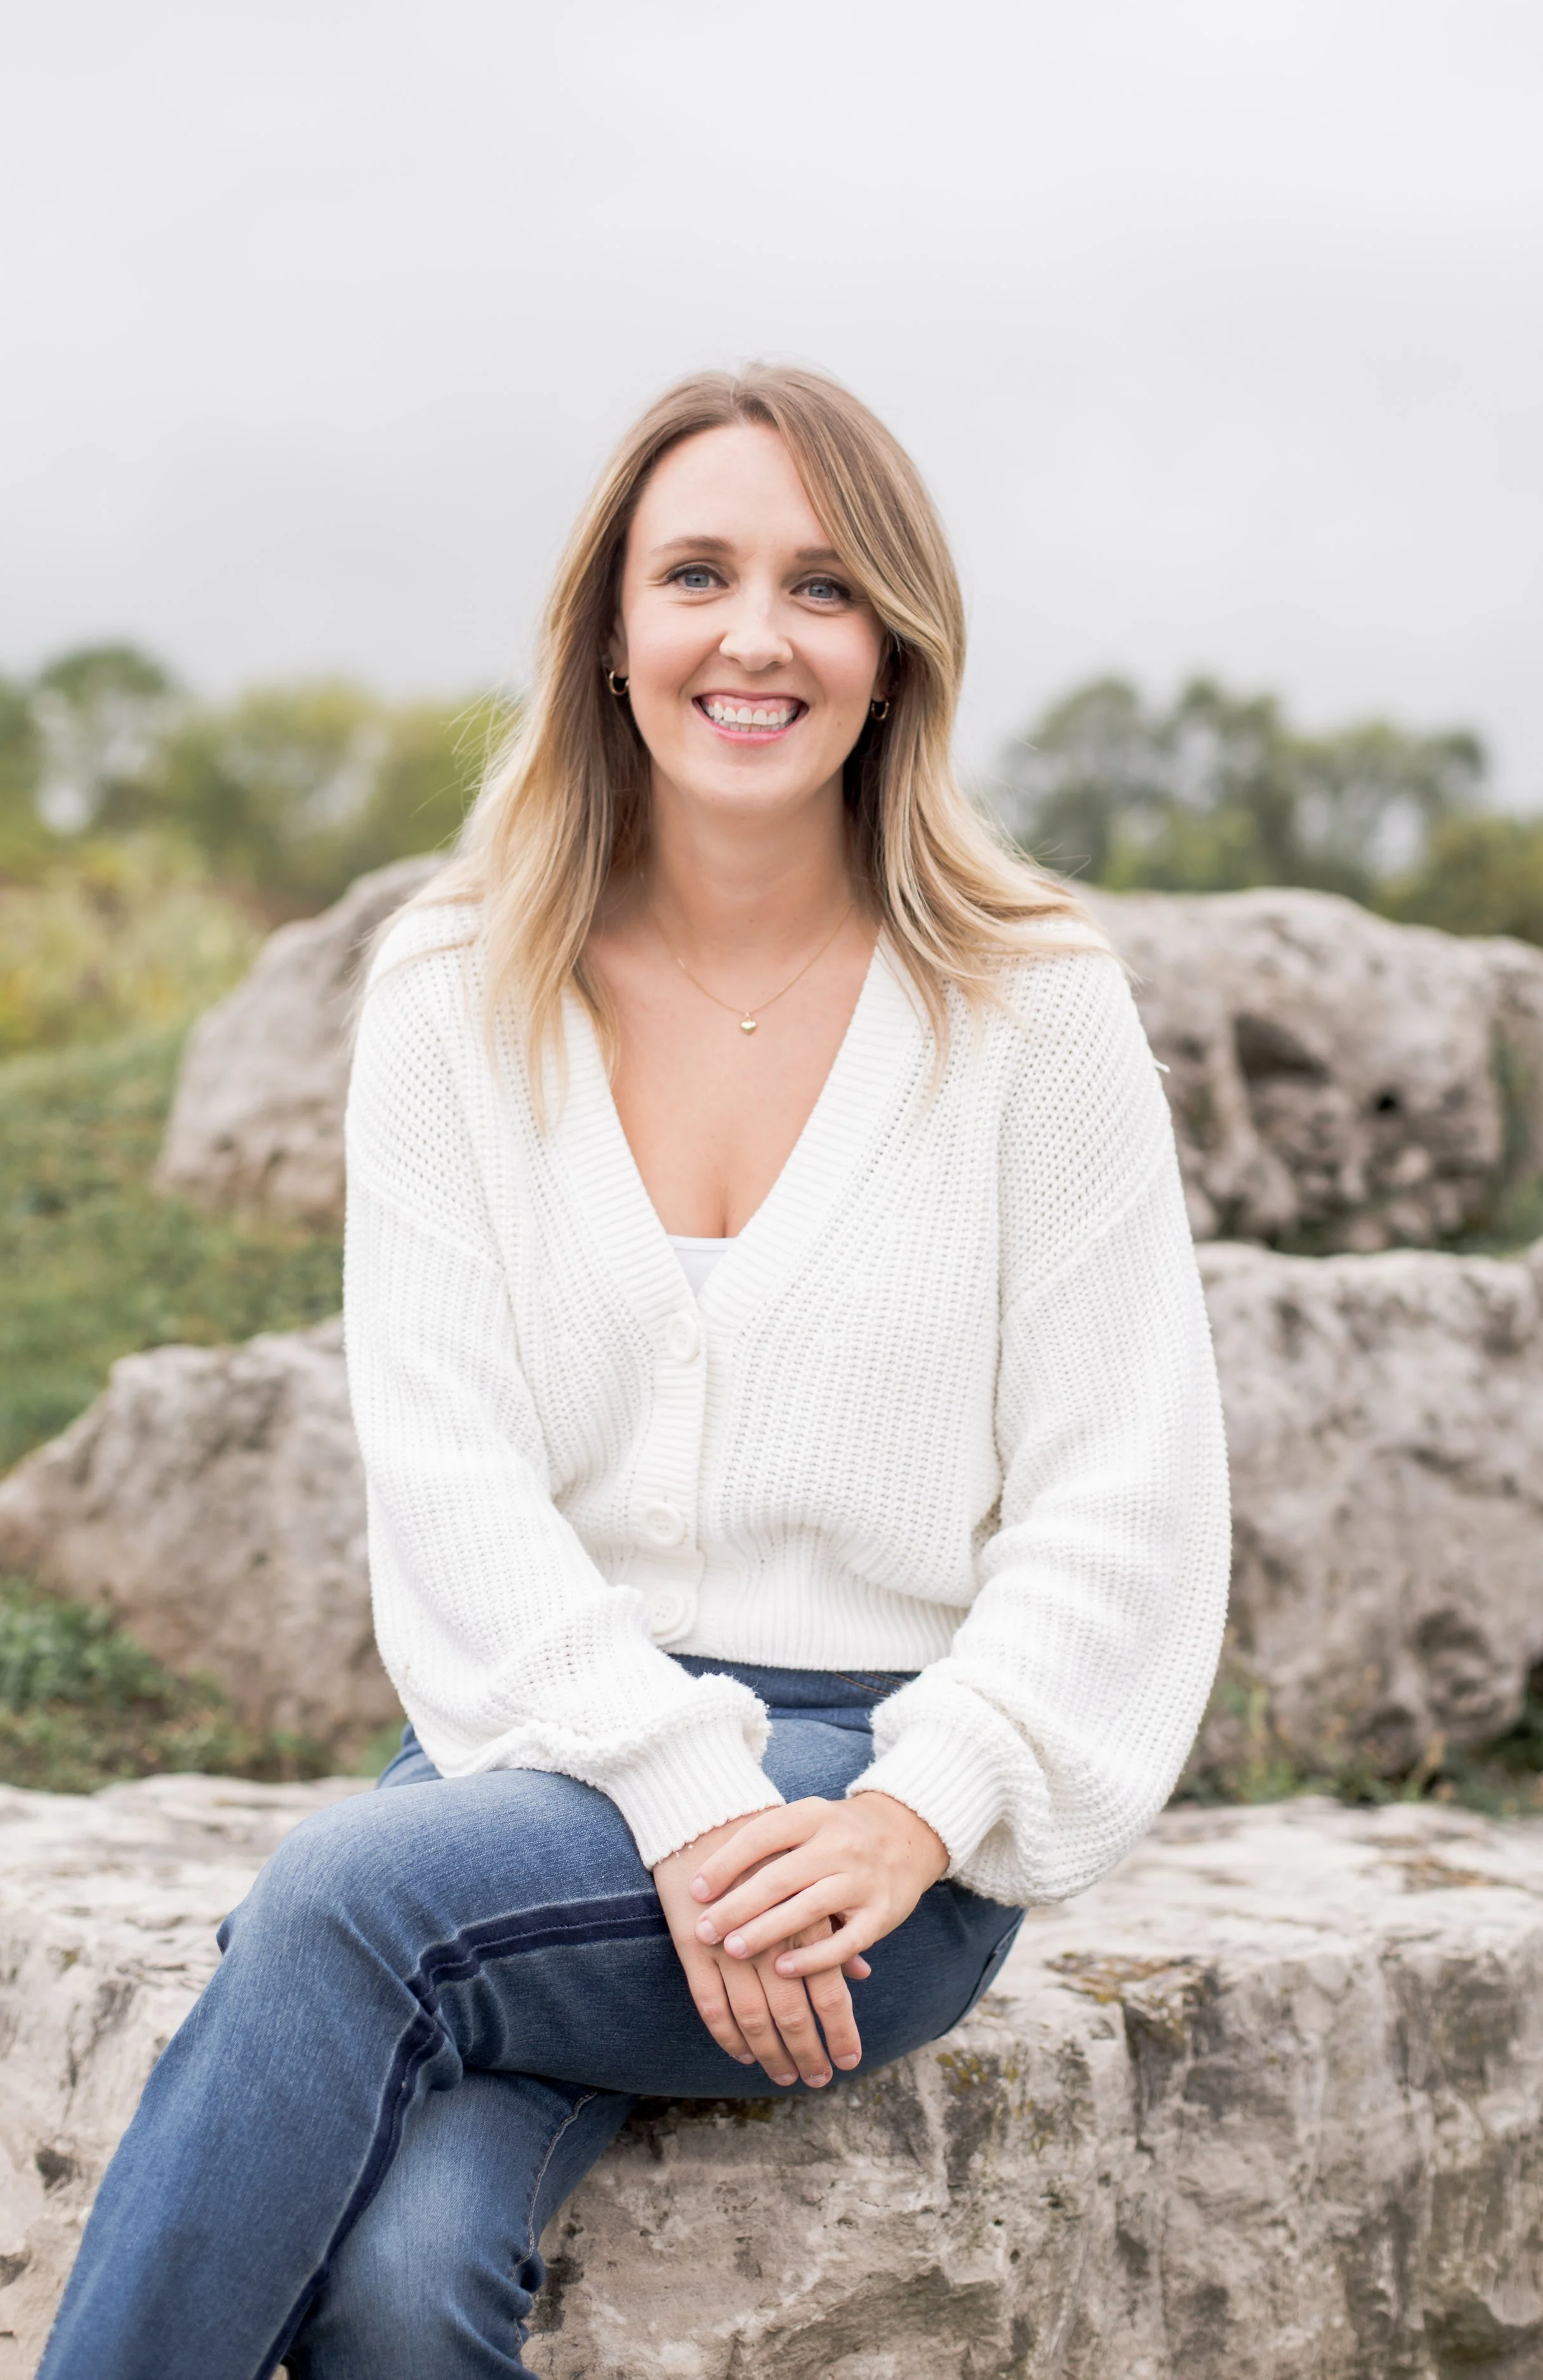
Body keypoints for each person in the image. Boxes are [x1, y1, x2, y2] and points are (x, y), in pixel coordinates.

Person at [39, 364, 1230, 2380]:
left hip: (879, 1806)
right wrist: (672, 1794)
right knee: (402, 2280)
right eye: (696, 574)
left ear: (892, 653)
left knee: (339, 1907)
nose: (755, 634)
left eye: (821, 587)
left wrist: (919, 1808)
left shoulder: (1036, 1005)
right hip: (538, 1763)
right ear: (608, 629)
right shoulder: (453, 984)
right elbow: (449, 1470)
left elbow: (1124, 1493)